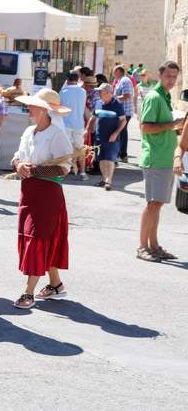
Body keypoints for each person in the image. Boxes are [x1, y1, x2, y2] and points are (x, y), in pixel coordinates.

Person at [11, 89, 73, 309]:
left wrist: (35, 170)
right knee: (36, 237)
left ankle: (28, 292)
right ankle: (55, 284)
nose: (29, 109)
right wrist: (18, 165)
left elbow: (65, 168)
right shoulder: (29, 131)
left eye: (33, 106)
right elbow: (18, 156)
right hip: (28, 192)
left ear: (46, 111)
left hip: (47, 194)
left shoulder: (57, 134)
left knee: (37, 239)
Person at [138, 60, 182, 262]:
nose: (171, 80)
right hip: (155, 157)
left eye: (174, 77)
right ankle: (142, 247)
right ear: (160, 75)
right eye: (168, 76)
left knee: (157, 205)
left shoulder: (164, 96)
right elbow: (145, 127)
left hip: (163, 158)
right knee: (152, 204)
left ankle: (154, 246)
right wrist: (172, 125)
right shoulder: (155, 97)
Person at [87, 83, 126, 191]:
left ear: (108, 93)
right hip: (99, 136)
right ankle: (104, 180)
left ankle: (109, 181)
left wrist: (116, 133)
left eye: (101, 91)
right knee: (101, 159)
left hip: (112, 137)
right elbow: (93, 117)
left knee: (109, 159)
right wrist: (87, 129)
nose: (98, 93)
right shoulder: (99, 103)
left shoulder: (117, 104)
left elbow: (123, 121)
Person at [59, 72, 88, 180]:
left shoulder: (63, 92)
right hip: (79, 123)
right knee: (80, 149)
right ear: (78, 79)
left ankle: (63, 172)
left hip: (66, 123)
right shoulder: (83, 91)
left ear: (67, 79)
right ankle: (83, 172)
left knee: (65, 149)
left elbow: (59, 107)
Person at [112, 66, 134, 161]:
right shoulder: (121, 80)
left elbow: (127, 95)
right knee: (122, 132)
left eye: (113, 72)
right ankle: (122, 154)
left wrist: (113, 99)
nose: (113, 74)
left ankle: (122, 155)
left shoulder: (125, 80)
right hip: (122, 112)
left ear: (117, 71)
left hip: (125, 112)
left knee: (122, 132)